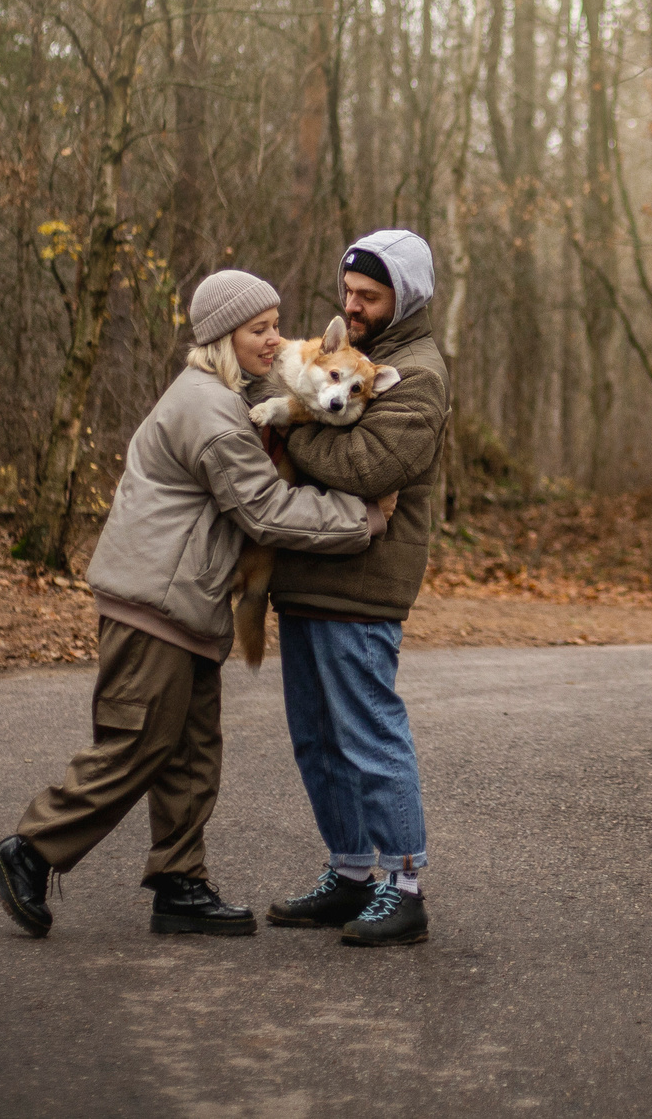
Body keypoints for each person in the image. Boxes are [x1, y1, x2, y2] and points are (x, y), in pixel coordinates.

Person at [0, 269, 391, 940]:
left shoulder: (228, 397)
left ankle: (180, 882)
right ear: (221, 334)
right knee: (137, 741)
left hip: (188, 601)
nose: (273, 338)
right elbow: (262, 507)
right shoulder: (206, 406)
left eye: (275, 324)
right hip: (156, 603)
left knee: (194, 750)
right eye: (258, 328)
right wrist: (362, 519)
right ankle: (28, 851)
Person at [262, 229, 451, 947]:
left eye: (369, 295)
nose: (354, 305)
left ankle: (404, 889)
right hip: (310, 570)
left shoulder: (418, 373)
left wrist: (289, 435)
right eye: (348, 292)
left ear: (404, 295)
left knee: (368, 732)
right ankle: (349, 875)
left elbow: (368, 463)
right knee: (317, 738)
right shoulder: (357, 351)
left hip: (364, 581)